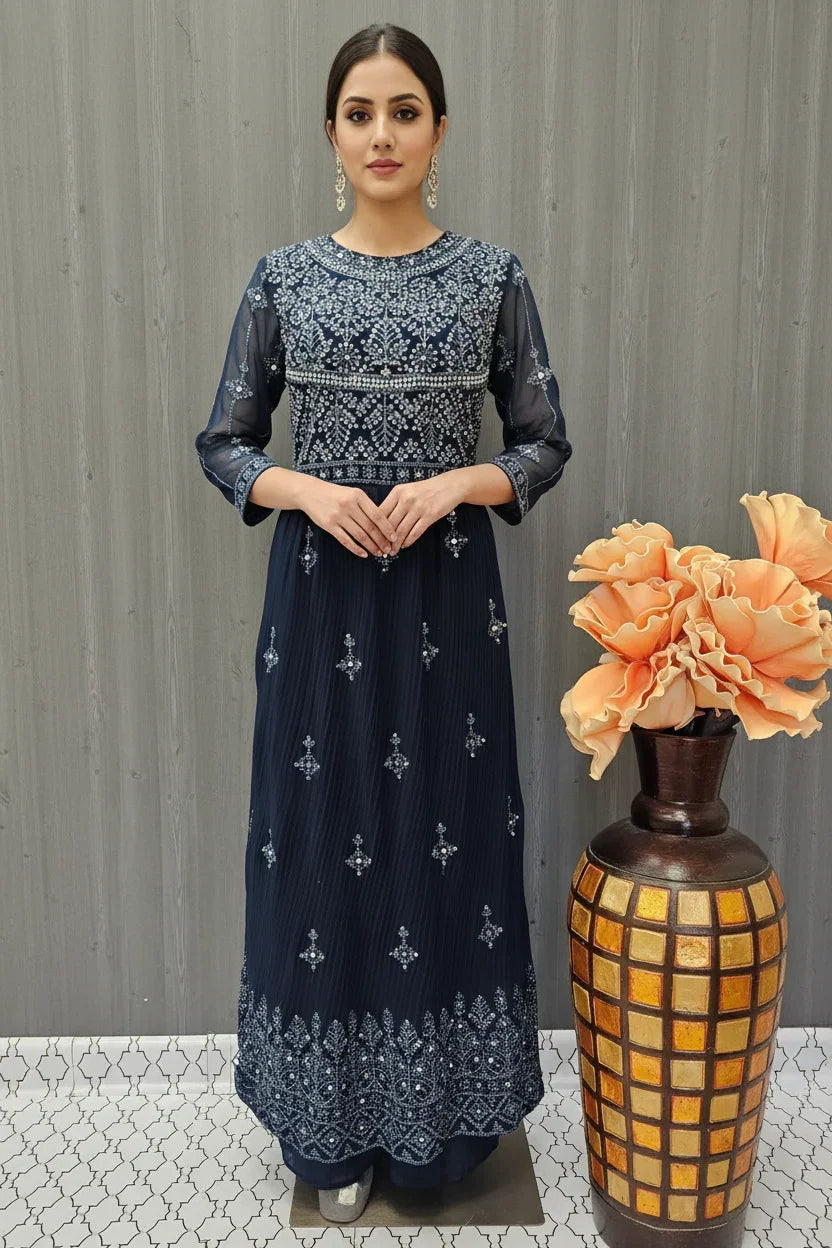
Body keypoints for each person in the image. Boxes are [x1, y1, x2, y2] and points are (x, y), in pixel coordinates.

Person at [194, 21, 573, 1225]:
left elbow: (543, 443)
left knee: (443, 838)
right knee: (321, 837)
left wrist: (457, 484)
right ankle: (329, 1130)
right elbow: (224, 444)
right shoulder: (284, 277)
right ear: (330, 132)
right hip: (320, 609)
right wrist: (305, 490)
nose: (381, 134)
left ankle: (438, 1141)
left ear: (440, 129)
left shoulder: (493, 277)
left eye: (404, 110)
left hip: (448, 606)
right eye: (359, 112)